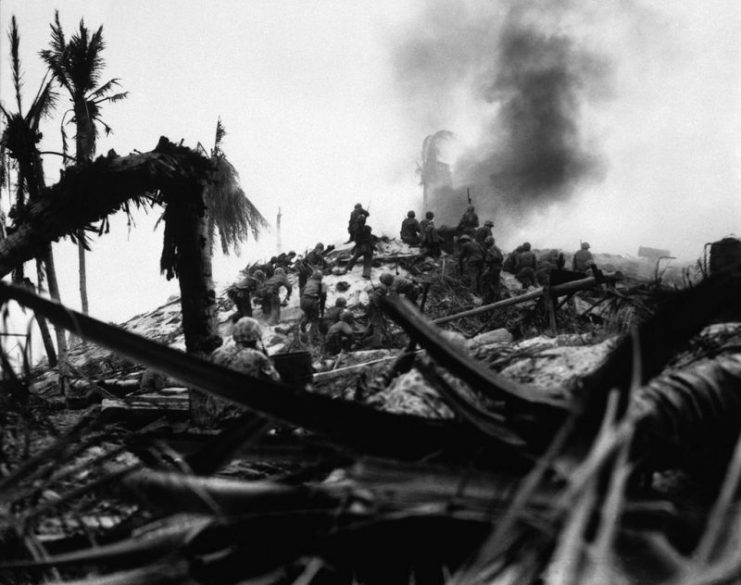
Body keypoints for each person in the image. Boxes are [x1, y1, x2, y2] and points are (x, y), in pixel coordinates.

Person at [207, 317, 281, 421]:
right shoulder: (257, 356)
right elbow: (276, 382)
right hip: (241, 415)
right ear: (257, 337)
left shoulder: (218, 352)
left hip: (215, 412)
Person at [300, 269, 328, 342]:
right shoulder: (322, 285)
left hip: (303, 300)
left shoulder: (308, 282)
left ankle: (303, 329)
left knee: (307, 314)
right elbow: (323, 299)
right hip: (311, 301)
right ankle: (314, 337)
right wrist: (321, 313)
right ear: (321, 277)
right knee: (315, 320)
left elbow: (302, 291)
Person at [481, 236, 504, 303]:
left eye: (487, 242)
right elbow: (501, 258)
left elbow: (496, 257)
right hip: (496, 267)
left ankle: (493, 298)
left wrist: (488, 260)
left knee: (491, 282)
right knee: (494, 282)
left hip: (494, 267)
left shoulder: (492, 248)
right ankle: (495, 297)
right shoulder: (497, 248)